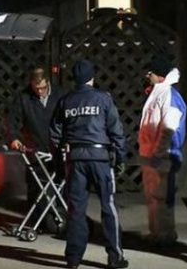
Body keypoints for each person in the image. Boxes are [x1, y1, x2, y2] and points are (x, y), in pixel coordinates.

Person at [49, 60, 128, 269]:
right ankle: (115, 257)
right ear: (92, 77)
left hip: (75, 159)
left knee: (76, 210)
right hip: (100, 158)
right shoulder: (103, 99)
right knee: (108, 206)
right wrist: (120, 158)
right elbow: (116, 131)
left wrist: (58, 163)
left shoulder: (66, 101)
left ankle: (73, 259)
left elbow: (55, 135)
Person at [6, 66, 66, 233]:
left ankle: (62, 219)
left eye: (43, 88)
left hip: (57, 146)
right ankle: (37, 223)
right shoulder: (24, 98)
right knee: (36, 185)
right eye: (36, 88)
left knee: (62, 184)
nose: (40, 91)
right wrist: (14, 138)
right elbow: (12, 121)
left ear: (48, 83)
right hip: (35, 146)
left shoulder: (60, 96)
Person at [137, 57, 187, 246]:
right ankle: (158, 232)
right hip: (154, 154)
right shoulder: (161, 92)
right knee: (155, 196)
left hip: (163, 155)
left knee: (161, 197)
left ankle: (165, 235)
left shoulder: (168, 95)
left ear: (159, 75)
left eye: (150, 73)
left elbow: (168, 129)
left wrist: (158, 153)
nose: (147, 76)